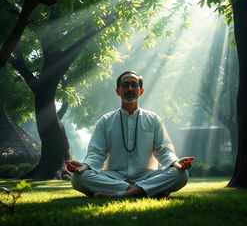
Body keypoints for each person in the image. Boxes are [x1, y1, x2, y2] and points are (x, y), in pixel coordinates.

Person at [66, 71, 194, 198]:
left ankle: (119, 194)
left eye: (134, 84)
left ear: (141, 91)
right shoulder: (105, 120)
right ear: (118, 91)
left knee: (181, 175)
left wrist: (176, 163)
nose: (130, 88)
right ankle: (146, 191)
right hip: (114, 177)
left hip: (146, 176)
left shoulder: (153, 119)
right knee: (78, 178)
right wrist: (85, 166)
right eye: (125, 85)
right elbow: (96, 153)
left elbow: (164, 150)